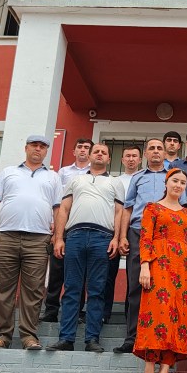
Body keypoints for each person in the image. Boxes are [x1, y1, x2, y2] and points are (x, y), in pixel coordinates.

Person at [0, 135, 63, 351]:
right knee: (3, 288)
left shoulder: (53, 177)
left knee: (34, 290)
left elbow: (58, 208)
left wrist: (58, 236)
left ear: (46, 151)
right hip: (7, 237)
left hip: (39, 240)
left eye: (42, 146)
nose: (38, 149)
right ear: (26, 148)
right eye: (34, 145)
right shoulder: (9, 172)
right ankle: (1, 336)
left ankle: (29, 336)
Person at [48, 143, 124, 353]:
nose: (99, 154)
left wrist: (116, 238)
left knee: (97, 290)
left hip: (103, 237)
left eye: (104, 152)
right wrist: (59, 238)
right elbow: (64, 209)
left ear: (109, 159)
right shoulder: (76, 180)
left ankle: (92, 339)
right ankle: (66, 338)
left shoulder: (115, 182)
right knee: (72, 288)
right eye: (96, 151)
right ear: (89, 156)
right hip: (75, 236)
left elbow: (119, 212)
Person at [113, 138, 185, 354]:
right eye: (151, 148)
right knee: (136, 285)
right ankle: (132, 337)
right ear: (145, 154)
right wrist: (123, 236)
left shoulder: (174, 177)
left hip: (166, 237)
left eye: (159, 148)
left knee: (164, 287)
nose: (155, 151)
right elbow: (127, 208)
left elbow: (183, 207)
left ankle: (160, 337)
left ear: (165, 153)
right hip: (137, 232)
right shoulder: (137, 177)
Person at [134, 168, 187, 373]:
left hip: (182, 268)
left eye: (182, 182)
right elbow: (145, 238)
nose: (178, 185)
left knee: (177, 318)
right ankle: (149, 372)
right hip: (158, 264)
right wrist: (145, 265)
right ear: (166, 182)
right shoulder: (152, 208)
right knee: (156, 314)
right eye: (175, 181)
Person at [41, 137, 93, 323]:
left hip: (83, 225)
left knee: (80, 271)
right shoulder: (63, 172)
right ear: (74, 151)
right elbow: (56, 200)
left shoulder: (94, 174)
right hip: (63, 224)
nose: (83, 150)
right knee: (57, 270)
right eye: (80, 147)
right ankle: (51, 310)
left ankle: (76, 311)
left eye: (86, 147)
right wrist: (54, 224)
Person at [104, 144, 143, 324]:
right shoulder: (114, 181)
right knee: (108, 272)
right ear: (122, 159)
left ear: (140, 159)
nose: (131, 159)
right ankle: (105, 313)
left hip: (135, 228)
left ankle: (130, 315)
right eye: (128, 156)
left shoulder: (142, 178)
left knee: (133, 274)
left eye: (134, 156)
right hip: (115, 228)